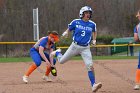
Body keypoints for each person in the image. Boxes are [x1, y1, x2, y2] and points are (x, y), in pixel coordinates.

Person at [51, 6, 102, 92]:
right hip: (74, 46)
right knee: (61, 61)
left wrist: (94, 40)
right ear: (82, 13)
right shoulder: (76, 22)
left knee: (90, 66)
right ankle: (57, 53)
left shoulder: (92, 24)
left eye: (89, 13)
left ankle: (93, 85)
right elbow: (69, 29)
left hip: (85, 48)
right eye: (86, 13)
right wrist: (66, 33)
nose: (88, 14)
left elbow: (94, 31)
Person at [134, 10, 140, 90]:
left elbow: (136, 38)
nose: (138, 17)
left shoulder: (137, 26)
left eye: (138, 15)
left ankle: (138, 84)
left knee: (139, 66)